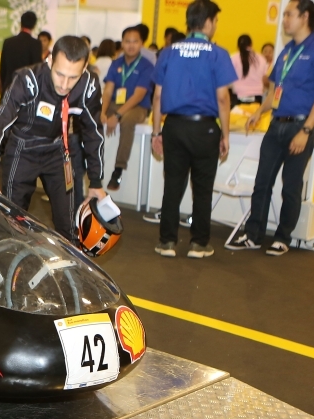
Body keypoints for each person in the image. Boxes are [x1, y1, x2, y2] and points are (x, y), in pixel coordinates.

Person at [226, 0, 314, 256]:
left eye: (289, 14)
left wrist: (306, 130)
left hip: (300, 125)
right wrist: (259, 112)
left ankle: (283, 237)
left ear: (305, 16)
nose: (284, 19)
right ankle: (253, 235)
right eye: (284, 15)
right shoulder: (286, 50)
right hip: (276, 125)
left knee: (291, 185)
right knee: (262, 181)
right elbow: (275, 90)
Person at [0, 35, 105, 242]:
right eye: (60, 74)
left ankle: (67, 272)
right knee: (9, 222)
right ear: (50, 60)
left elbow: (93, 132)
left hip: (58, 149)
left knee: (69, 226)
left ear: (85, 67)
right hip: (22, 149)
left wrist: (96, 181)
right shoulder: (27, 79)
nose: (64, 85)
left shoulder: (88, 85)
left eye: (73, 77)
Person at [149, 0, 235, 258]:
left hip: (174, 125)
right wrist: (226, 134)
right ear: (208, 22)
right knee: (203, 187)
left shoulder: (169, 51)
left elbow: (157, 97)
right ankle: (199, 243)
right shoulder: (218, 54)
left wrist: (156, 133)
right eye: (216, 21)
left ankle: (167, 242)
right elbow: (223, 98)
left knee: (173, 185)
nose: (216, 26)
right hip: (205, 128)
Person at [102, 26, 155, 191]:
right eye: (127, 41)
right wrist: (103, 112)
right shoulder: (116, 63)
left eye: (135, 42)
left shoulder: (147, 66)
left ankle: (118, 170)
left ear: (141, 44)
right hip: (116, 104)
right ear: (122, 43)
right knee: (92, 114)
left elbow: (139, 95)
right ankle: (89, 162)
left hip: (138, 107)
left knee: (128, 121)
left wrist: (116, 115)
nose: (131, 45)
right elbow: (109, 90)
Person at [1, 11, 42, 91]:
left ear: (21, 23)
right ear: (34, 25)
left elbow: (3, 69)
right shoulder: (35, 44)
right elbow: (37, 69)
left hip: (9, 86)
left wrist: (4, 87)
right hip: (26, 88)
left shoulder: (8, 42)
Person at [230, 34, 268, 107]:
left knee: (237, 118)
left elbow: (228, 78)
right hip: (257, 96)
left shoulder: (233, 58)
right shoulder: (261, 58)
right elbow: (265, 78)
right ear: (251, 44)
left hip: (238, 95)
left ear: (238, 46)